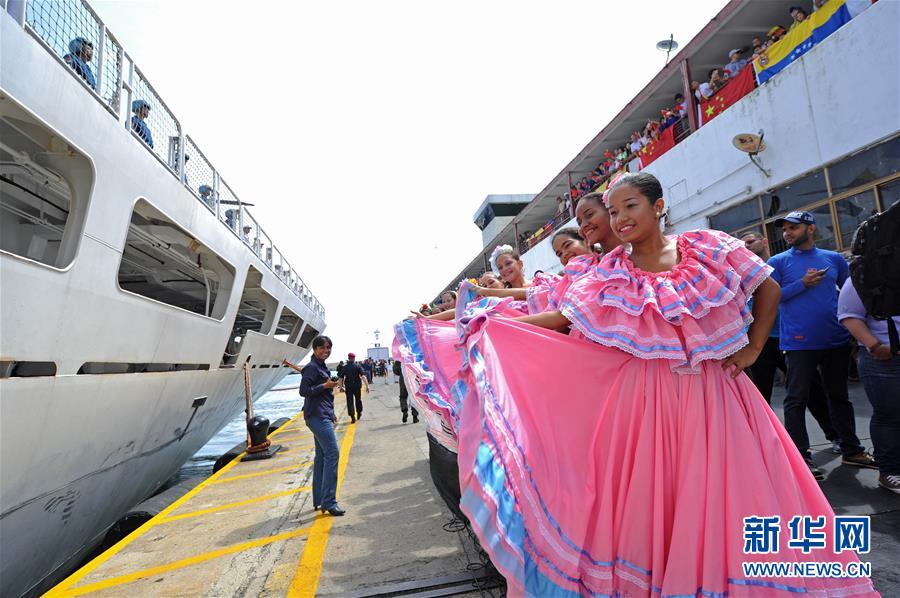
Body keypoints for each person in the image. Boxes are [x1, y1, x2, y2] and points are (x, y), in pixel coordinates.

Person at [395, 172, 876, 596]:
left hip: (713, 396)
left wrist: (752, 348)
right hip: (643, 403)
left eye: (631, 206)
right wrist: (500, 325)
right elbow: (567, 315)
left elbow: (767, 286)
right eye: (615, 210)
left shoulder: (707, 247)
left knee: (728, 494)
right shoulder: (612, 272)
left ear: (658, 206)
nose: (621, 218)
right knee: (655, 503)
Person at [768, 211, 876, 477]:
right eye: (785, 229)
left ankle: (852, 450)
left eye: (793, 228)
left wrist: (857, 331)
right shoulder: (778, 262)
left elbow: (852, 293)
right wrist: (801, 284)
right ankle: (801, 457)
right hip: (798, 344)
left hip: (835, 339)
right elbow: (771, 298)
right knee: (796, 399)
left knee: (839, 396)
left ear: (811, 228)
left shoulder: (834, 259)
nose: (787, 233)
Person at [741, 232, 841, 459]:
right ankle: (764, 446)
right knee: (759, 397)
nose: (745, 247)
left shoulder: (781, 265)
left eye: (750, 241)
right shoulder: (742, 273)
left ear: (764, 241)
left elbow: (781, 295)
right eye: (742, 244)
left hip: (788, 338)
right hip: (757, 342)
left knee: (812, 390)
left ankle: (835, 436)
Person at [839, 277, 900, 493]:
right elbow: (849, 315)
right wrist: (875, 346)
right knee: (890, 415)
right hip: (885, 358)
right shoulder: (865, 272)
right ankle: (890, 470)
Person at [299, 336, 345, 516]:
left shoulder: (321, 366)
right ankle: (329, 501)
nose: (326, 351)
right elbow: (304, 391)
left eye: (328, 348)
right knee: (332, 453)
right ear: (315, 348)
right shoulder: (311, 368)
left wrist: (331, 411)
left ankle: (319, 500)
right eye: (323, 348)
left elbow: (322, 394)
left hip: (322, 413)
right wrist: (324, 385)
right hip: (316, 416)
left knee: (321, 457)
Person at [340, 353, 366, 423]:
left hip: (348, 387)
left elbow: (341, 378)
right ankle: (359, 413)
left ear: (348, 358)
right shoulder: (358, 366)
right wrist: (367, 385)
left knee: (350, 401)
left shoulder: (345, 367)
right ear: (354, 358)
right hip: (357, 386)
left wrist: (341, 386)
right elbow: (363, 376)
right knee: (358, 400)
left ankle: (352, 416)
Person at [392, 359, 419, 423]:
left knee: (403, 397)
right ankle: (415, 417)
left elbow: (395, 371)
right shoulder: (412, 356)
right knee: (414, 398)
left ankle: (405, 411)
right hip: (412, 379)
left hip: (403, 379)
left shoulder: (398, 359)